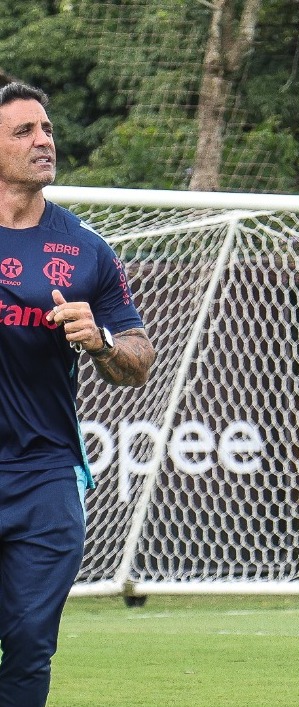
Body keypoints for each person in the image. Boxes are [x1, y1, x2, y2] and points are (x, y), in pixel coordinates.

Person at [0, 82, 155, 706]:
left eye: (46, 129)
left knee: (32, 643)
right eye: (22, 132)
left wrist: (99, 343)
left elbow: (139, 359)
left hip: (44, 475)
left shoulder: (87, 250)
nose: (44, 141)